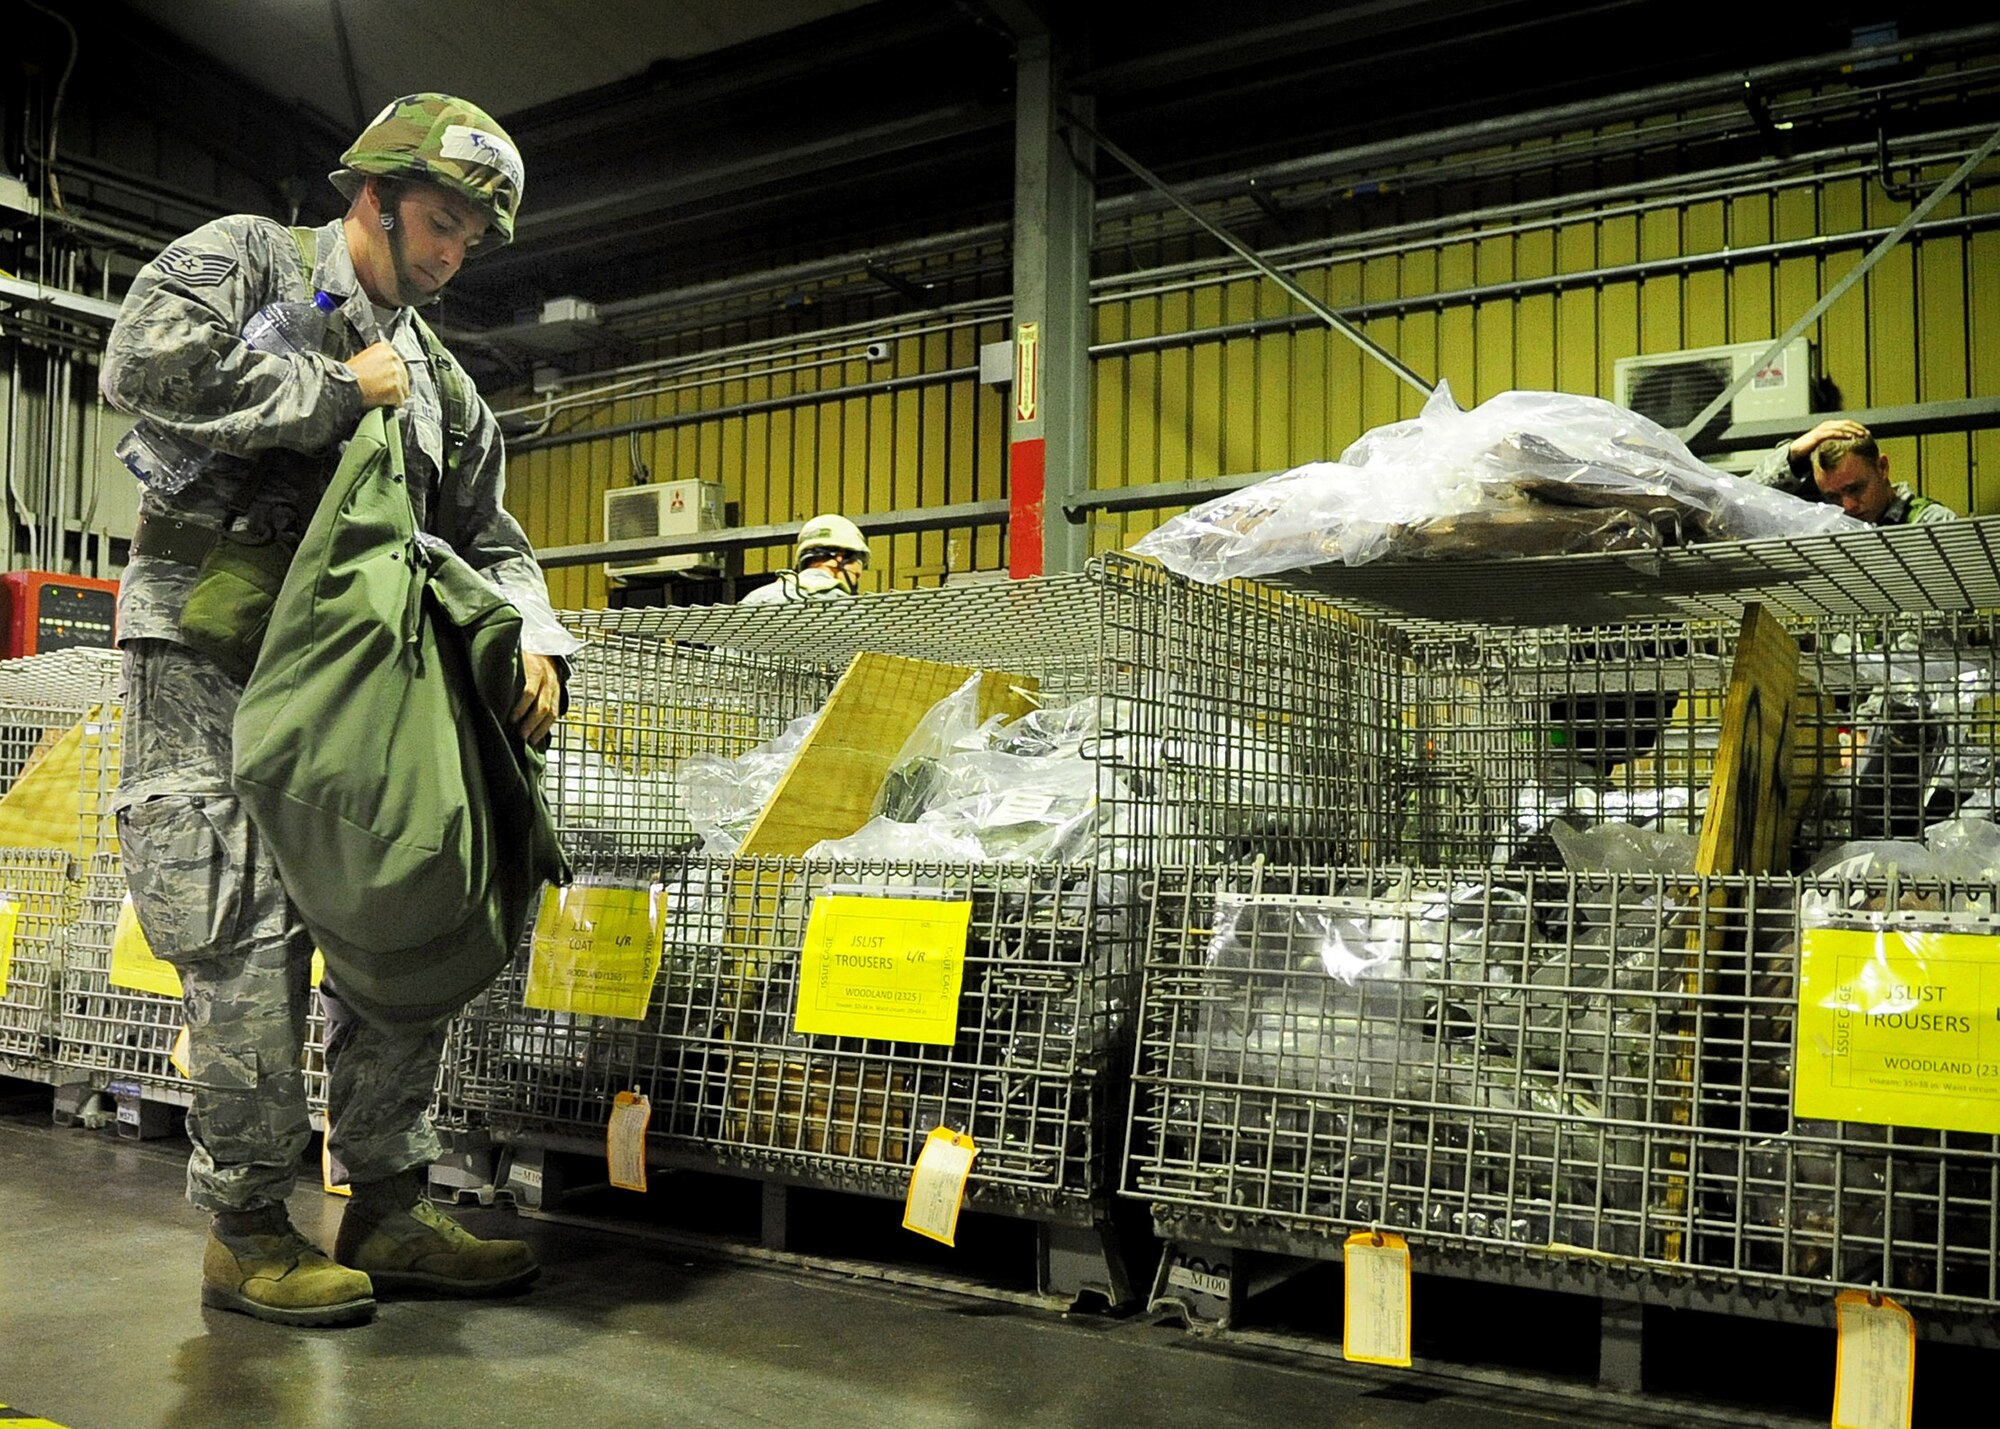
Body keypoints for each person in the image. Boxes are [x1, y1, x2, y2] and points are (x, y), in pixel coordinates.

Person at [99, 94, 581, 1327]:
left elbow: (493, 537)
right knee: (244, 933)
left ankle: (388, 1205)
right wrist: (329, 389)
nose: (452, 253)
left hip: (362, 683)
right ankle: (249, 1231)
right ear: (372, 196)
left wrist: (534, 630)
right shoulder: (249, 260)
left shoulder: (442, 385)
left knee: (401, 909)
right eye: (439, 223)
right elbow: (140, 367)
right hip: (209, 664)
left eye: (471, 237)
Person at [1746, 418, 1957, 525]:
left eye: (1855, 489)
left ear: (1882, 467)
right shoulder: (1827, 528)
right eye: (1833, 496)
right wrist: (1793, 455)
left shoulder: (1931, 523)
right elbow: (1739, 503)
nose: (1847, 506)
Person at [738, 512, 872, 603]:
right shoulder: (847, 607)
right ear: (839, 557)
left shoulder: (756, 599)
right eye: (855, 575)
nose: (854, 582)